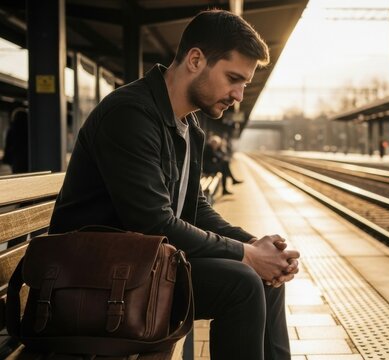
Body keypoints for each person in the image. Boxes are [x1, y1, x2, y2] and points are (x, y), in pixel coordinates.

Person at [49, 10, 299, 360]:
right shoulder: (131, 114)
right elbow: (152, 223)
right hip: (94, 278)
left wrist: (255, 247)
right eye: (233, 78)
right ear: (196, 59)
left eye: (244, 83)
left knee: (262, 280)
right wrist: (247, 256)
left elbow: (194, 209)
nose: (239, 95)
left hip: (142, 267)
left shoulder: (190, 126)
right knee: (242, 282)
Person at [2, 107, 29, 174]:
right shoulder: (29, 131)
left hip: (16, 160)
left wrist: (6, 158)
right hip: (28, 159)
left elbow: (8, 147)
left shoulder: (11, 131)